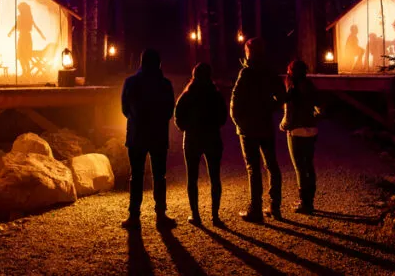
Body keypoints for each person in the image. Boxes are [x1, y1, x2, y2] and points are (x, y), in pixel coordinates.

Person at [120, 48, 177, 230]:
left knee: (136, 175)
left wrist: (136, 119)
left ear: (141, 62)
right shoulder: (165, 84)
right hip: (158, 134)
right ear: (159, 64)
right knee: (159, 175)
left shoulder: (130, 82)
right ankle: (161, 215)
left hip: (137, 135)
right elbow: (170, 110)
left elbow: (124, 109)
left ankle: (134, 216)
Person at [230, 37, 284, 223]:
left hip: (248, 128)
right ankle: (275, 207)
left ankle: (256, 210)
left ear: (248, 52)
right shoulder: (270, 73)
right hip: (265, 125)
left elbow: (235, 103)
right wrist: (271, 107)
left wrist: (238, 123)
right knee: (271, 165)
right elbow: (282, 96)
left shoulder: (246, 74)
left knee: (253, 168)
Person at [174, 62, 227, 227]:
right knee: (215, 177)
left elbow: (178, 117)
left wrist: (187, 128)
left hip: (192, 138)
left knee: (192, 178)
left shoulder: (187, 95)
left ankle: (195, 215)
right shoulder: (215, 95)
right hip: (212, 137)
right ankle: (215, 216)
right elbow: (223, 116)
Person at [280, 60, 320, 214]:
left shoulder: (292, 88)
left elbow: (289, 113)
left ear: (290, 71)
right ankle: (310, 201)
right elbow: (319, 107)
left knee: (300, 168)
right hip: (312, 129)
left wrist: (283, 126)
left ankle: (304, 203)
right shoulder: (310, 86)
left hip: (296, 131)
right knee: (309, 164)